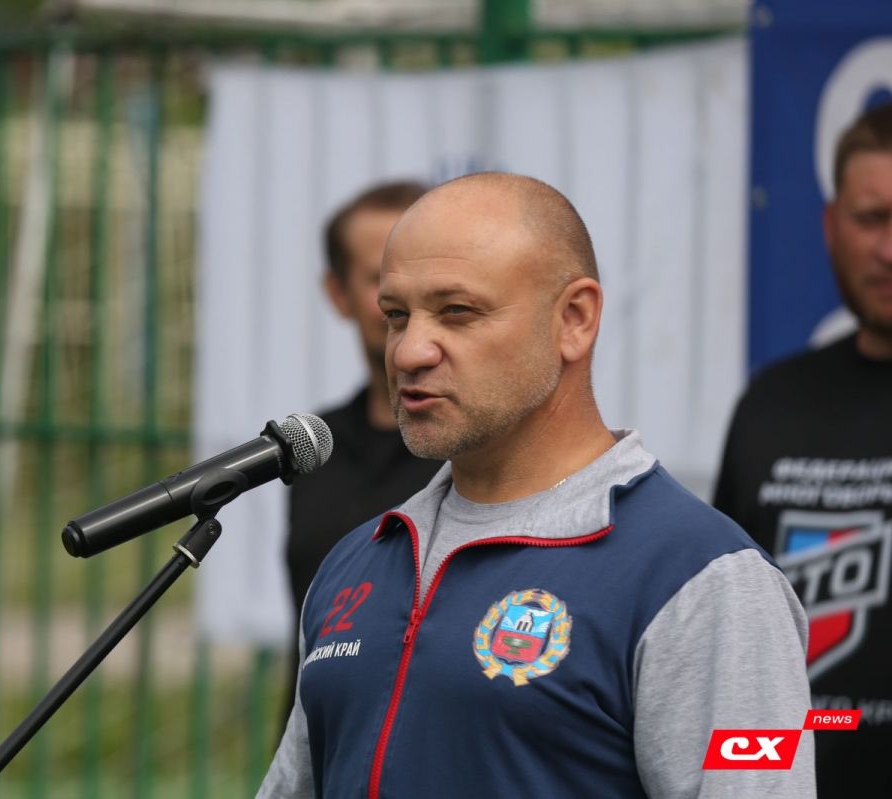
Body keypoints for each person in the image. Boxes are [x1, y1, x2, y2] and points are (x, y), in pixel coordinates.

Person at [260, 172, 814, 797]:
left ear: (574, 319)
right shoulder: (358, 558)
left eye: (457, 312)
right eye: (396, 315)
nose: (410, 351)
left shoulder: (702, 576)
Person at [714, 103, 892, 798]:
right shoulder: (771, 403)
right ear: (830, 226)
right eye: (871, 218)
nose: (888, 250)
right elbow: (725, 632)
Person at [281, 181, 442, 728]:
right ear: (338, 292)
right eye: (383, 281)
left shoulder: (477, 453)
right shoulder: (311, 444)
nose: (408, 306)